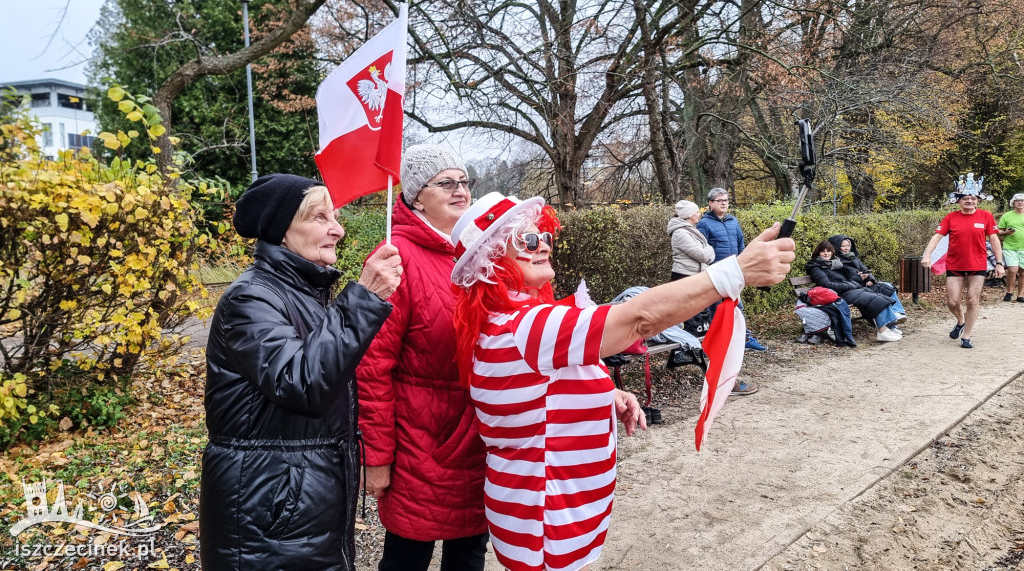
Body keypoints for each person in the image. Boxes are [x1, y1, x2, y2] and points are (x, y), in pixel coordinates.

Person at [449, 191, 795, 571]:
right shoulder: (526, 326)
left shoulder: (515, 321)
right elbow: (637, 320)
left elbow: (537, 390)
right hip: (547, 517)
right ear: (491, 262)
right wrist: (735, 271)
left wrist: (605, 391)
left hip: (550, 506)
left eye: (545, 237)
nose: (543, 246)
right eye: (527, 240)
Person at [200, 174, 402, 570]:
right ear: (281, 231)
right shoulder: (251, 297)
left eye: (337, 217)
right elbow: (303, 383)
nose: (338, 230)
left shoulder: (306, 293)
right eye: (320, 217)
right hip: (268, 510)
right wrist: (363, 298)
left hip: (295, 506)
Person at [356, 145, 488, 571]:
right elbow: (372, 368)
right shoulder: (395, 257)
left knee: (469, 552)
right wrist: (376, 457)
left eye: (464, 181)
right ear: (416, 196)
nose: (460, 191)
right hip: (420, 440)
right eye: (446, 183)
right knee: (408, 553)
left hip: (477, 433)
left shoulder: (478, 253)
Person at [923, 189, 1005, 348]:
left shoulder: (985, 216)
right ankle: (961, 320)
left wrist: (999, 263)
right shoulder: (951, 217)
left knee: (972, 300)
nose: (970, 201)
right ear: (958, 201)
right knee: (952, 302)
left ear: (977, 201)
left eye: (973, 198)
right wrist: (927, 255)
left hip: (977, 263)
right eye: (966, 198)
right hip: (955, 264)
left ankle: (966, 337)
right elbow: (937, 237)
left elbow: (994, 239)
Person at [697, 187, 768, 352]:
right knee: (715, 310)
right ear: (710, 203)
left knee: (737, 307)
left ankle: (744, 338)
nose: (723, 203)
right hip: (715, 274)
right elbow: (702, 250)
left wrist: (743, 266)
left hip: (733, 272)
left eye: (726, 200)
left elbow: (741, 245)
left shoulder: (733, 221)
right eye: (719, 201)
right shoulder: (704, 224)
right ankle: (718, 344)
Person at [805, 240, 903, 342]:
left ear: (832, 252)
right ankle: (883, 331)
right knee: (874, 299)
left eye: (828, 251)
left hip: (849, 290)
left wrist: (859, 278)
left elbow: (849, 278)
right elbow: (827, 285)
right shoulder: (816, 267)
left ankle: (888, 328)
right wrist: (850, 284)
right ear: (818, 253)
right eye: (823, 251)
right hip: (838, 295)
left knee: (878, 296)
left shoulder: (835, 264)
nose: (826, 253)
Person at [828, 234, 907, 323]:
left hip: (864, 285)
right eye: (843, 246)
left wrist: (870, 279)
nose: (846, 248)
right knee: (878, 295)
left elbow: (865, 270)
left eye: (848, 245)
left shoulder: (854, 258)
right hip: (855, 289)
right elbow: (844, 279)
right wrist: (859, 278)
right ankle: (890, 319)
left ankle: (899, 313)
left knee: (887, 286)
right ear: (836, 247)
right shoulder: (836, 262)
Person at [669, 199, 715, 280]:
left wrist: (707, 250)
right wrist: (710, 248)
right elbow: (703, 256)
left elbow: (706, 255)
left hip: (694, 275)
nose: (699, 214)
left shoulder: (692, 230)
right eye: (697, 212)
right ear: (689, 215)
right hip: (683, 277)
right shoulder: (680, 233)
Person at [997, 193, 1024, 302]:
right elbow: (998, 231)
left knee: (1023, 271)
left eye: (1022, 200)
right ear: (1013, 203)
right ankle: (1009, 291)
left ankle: (1021, 295)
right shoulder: (1007, 216)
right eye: (1018, 201)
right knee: (1012, 270)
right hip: (1010, 247)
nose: (1020, 202)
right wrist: (1006, 232)